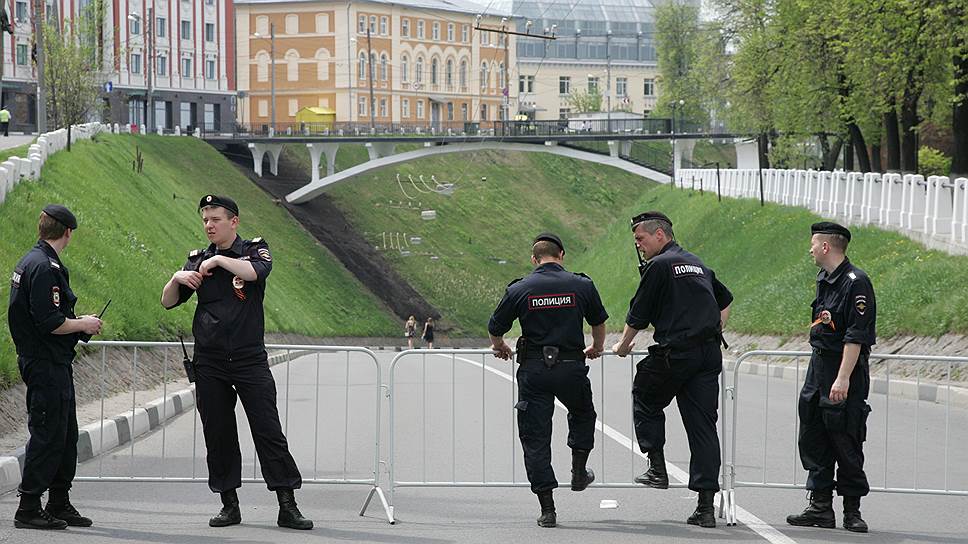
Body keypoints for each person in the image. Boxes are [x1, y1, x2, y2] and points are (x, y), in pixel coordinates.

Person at [160, 195, 312, 530]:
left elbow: (255, 273)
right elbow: (168, 302)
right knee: (218, 433)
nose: (209, 226)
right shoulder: (197, 259)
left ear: (234, 222)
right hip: (210, 361)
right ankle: (229, 504)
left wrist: (220, 263)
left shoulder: (254, 250)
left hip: (248, 359)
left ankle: (287, 504)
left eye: (215, 219)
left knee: (268, 431)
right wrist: (177, 278)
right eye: (205, 220)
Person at [611, 211, 732, 528]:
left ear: (660, 234)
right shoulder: (697, 263)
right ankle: (705, 507)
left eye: (641, 239)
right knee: (703, 427)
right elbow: (725, 300)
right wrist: (713, 330)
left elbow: (638, 313)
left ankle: (657, 466)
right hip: (708, 354)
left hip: (677, 353)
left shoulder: (660, 266)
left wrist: (622, 347)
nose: (639, 246)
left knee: (645, 396)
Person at [488, 233, 608, 528]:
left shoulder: (521, 288)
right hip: (571, 366)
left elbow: (495, 326)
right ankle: (579, 473)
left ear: (534, 259)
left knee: (535, 437)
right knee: (582, 414)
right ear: (562, 255)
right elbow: (598, 322)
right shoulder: (581, 285)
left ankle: (548, 509)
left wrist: (500, 346)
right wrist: (597, 347)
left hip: (534, 370)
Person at [8, 205, 103, 530]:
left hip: (51, 361)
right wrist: (83, 324)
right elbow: (50, 321)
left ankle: (59, 502)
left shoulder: (30, 261)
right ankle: (29, 506)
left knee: (65, 434)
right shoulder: (45, 267)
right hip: (45, 362)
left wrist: (77, 324)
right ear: (67, 232)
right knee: (48, 434)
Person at [787, 222, 875, 533]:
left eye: (813, 244)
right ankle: (820, 506)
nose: (809, 249)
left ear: (826, 247)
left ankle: (852, 510)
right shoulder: (824, 278)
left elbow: (856, 336)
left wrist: (843, 379)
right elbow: (824, 323)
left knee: (845, 436)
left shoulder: (856, 283)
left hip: (843, 368)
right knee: (813, 433)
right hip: (819, 366)